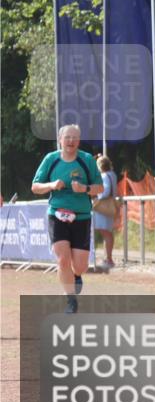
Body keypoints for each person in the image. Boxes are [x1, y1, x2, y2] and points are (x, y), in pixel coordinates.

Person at [31, 124, 102, 314]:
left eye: (75, 138)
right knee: (63, 259)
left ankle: (76, 275)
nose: (71, 141)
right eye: (67, 137)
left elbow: (100, 188)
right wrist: (52, 184)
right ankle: (70, 300)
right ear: (60, 140)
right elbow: (35, 187)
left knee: (80, 265)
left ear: (79, 141)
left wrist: (85, 189)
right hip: (57, 214)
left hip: (82, 216)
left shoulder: (86, 160)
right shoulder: (51, 160)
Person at [93, 155, 118, 270]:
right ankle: (108, 257)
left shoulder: (104, 176)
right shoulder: (112, 175)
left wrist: (97, 196)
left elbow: (105, 191)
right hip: (111, 205)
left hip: (103, 206)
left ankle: (109, 259)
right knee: (107, 232)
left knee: (105, 232)